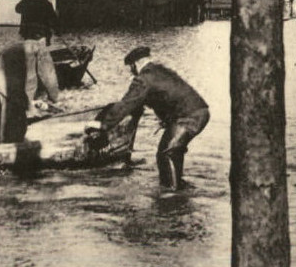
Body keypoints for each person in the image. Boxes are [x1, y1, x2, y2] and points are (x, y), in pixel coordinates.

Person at [90, 46, 210, 191]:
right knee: (172, 150)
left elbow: (126, 104)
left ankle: (172, 194)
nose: (131, 72)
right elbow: (167, 95)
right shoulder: (158, 70)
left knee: (167, 153)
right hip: (197, 112)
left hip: (189, 116)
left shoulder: (144, 79)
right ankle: (178, 187)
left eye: (130, 68)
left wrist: (102, 125)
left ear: (135, 64)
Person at [0, 38, 60, 145]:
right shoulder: (40, 50)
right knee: (7, 136)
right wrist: (55, 99)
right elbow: (48, 76)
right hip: (6, 89)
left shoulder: (12, 47)